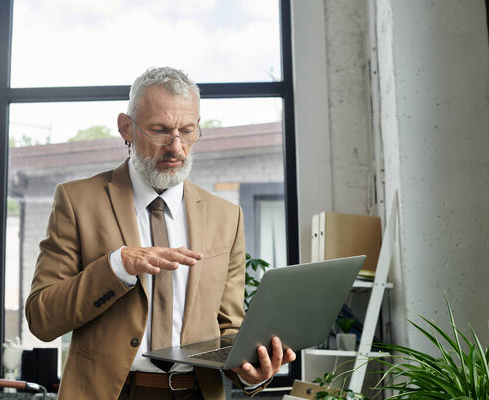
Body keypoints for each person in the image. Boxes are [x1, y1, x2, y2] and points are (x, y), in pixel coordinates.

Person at [25, 67, 296, 400]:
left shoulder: (227, 217)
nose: (176, 147)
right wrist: (118, 266)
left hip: (196, 393)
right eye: (160, 130)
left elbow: (230, 329)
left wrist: (252, 374)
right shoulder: (77, 201)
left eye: (188, 130)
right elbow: (42, 318)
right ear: (126, 127)